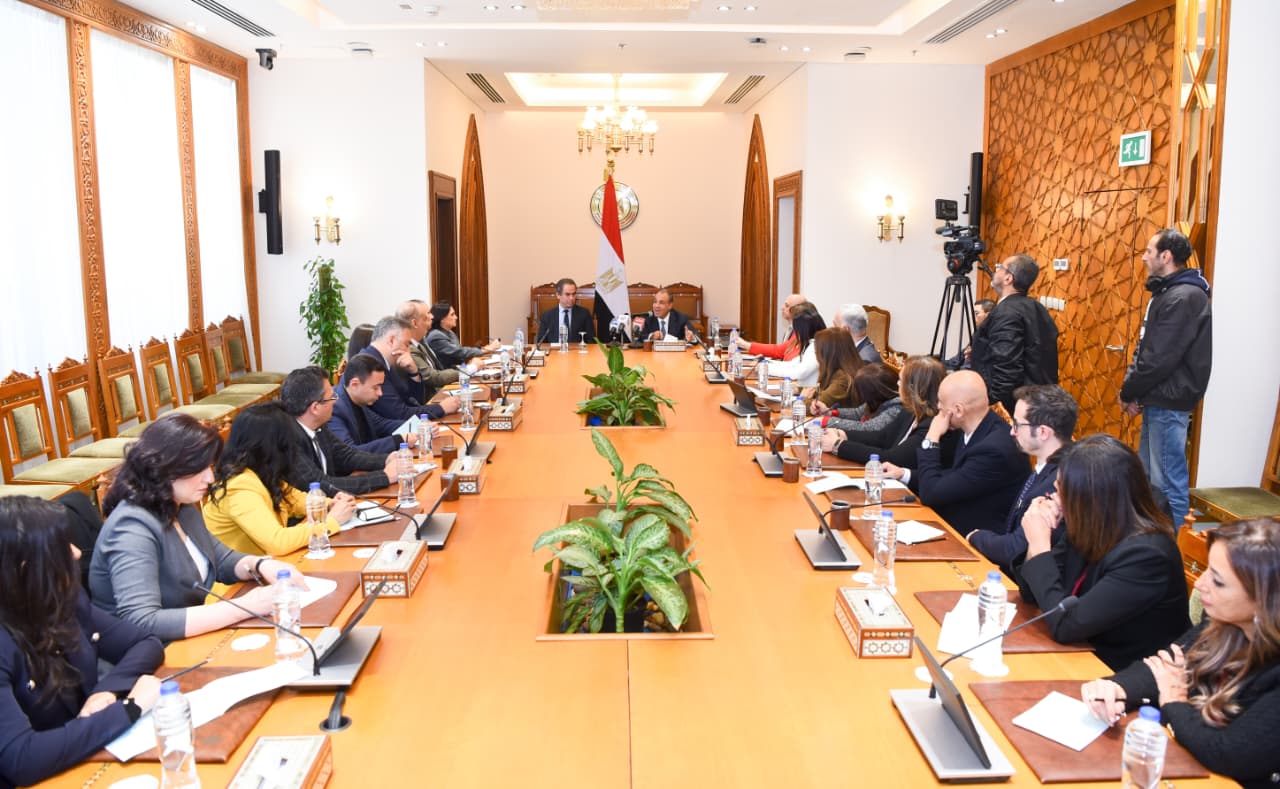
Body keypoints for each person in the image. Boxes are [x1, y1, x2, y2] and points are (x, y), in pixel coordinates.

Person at [1080, 519, 1280, 788]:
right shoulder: (1222, 623)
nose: (1200, 584)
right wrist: (1117, 688)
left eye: (1218, 581)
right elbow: (1167, 666)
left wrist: (1174, 701)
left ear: (1265, 601)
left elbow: (1229, 753)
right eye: (1207, 569)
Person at [88, 414, 305, 642]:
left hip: (188, 637)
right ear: (166, 467)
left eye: (209, 467)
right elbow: (142, 621)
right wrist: (245, 607)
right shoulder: (131, 528)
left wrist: (261, 565)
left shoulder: (180, 505)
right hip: (148, 651)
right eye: (199, 469)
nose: (210, 478)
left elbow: (221, 559)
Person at [0, 496, 164, 789]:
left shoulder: (62, 598)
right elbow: (20, 759)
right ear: (23, 567)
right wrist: (127, 709)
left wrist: (104, 693)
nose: (76, 553)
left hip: (82, 760)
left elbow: (146, 642)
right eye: (60, 546)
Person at [1013, 434, 1189, 670]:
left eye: (1059, 490)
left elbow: (1066, 626)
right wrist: (1037, 543)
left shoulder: (1147, 555)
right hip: (1079, 654)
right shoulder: (1091, 525)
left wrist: (1039, 544)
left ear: (1088, 498)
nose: (1052, 498)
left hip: (1119, 672)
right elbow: (1032, 594)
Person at [1120, 228, 1213, 528]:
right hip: (1158, 398)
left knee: (1168, 484)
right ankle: (1154, 540)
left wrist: (1129, 392)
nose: (1144, 257)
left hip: (1169, 401)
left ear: (1166, 256)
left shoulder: (1184, 297)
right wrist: (1134, 392)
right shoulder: (1168, 292)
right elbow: (1146, 348)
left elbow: (1159, 358)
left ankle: (1176, 548)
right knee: (1149, 480)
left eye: (1149, 251)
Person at [881, 370, 1027, 537]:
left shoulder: (994, 449)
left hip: (972, 538)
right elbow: (955, 477)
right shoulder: (978, 426)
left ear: (958, 410)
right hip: (951, 522)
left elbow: (931, 494)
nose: (938, 408)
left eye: (941, 403)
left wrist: (932, 438)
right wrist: (904, 474)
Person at [204, 403, 357, 556]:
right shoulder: (238, 487)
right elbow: (277, 542)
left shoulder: (260, 470)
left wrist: (329, 504)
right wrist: (331, 522)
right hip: (246, 571)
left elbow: (293, 500)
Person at [966, 384, 1077, 574]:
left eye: (1017, 425)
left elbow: (1015, 549)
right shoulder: (1048, 467)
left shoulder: (1058, 482)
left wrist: (976, 537)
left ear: (1043, 432)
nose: (1012, 432)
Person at [280, 366, 399, 496]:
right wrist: (384, 477)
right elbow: (323, 484)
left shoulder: (318, 425)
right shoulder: (287, 441)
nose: (335, 401)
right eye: (332, 397)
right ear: (315, 408)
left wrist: (386, 459)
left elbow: (346, 455)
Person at [969, 254, 1060, 415]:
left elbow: (1007, 367)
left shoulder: (1006, 313)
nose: (996, 270)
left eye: (1000, 268)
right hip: (1040, 399)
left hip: (1018, 405)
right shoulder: (1035, 306)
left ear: (1008, 278)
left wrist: (986, 402)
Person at [824, 355, 945, 467]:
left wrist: (838, 445)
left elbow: (892, 458)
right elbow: (880, 437)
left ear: (913, 388)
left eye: (901, 380)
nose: (897, 384)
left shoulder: (930, 424)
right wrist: (842, 433)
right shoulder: (910, 412)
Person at [357, 315, 457, 422]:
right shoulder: (370, 366)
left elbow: (414, 402)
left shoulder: (387, 362)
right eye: (406, 344)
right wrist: (441, 408)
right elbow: (399, 413)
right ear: (391, 340)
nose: (408, 351)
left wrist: (414, 373)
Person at [330, 352, 423, 454]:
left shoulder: (358, 399)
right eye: (375, 387)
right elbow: (350, 453)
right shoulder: (333, 408)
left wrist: (420, 426)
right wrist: (398, 440)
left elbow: (382, 425)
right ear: (354, 384)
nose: (380, 393)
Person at [398, 299, 459, 398]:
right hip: (431, 400)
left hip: (441, 393)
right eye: (427, 314)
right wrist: (465, 372)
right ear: (414, 323)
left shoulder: (421, 341)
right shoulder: (408, 348)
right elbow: (432, 377)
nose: (432, 317)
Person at [821, 363, 901, 437]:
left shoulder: (896, 409)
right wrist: (831, 413)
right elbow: (857, 413)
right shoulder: (878, 400)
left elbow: (866, 428)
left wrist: (829, 422)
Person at [427, 301, 500, 368]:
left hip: (458, 369)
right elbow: (459, 352)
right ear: (442, 319)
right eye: (452, 315)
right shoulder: (436, 336)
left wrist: (467, 366)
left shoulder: (450, 332)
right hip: (448, 374)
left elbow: (459, 357)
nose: (456, 317)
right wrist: (484, 350)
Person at [765, 309, 826, 388]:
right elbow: (792, 364)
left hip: (807, 393)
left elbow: (799, 373)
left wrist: (767, 369)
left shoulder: (815, 347)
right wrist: (766, 364)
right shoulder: (811, 344)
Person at [735, 294, 806, 359]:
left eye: (787, 306)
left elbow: (779, 351)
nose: (782, 308)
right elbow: (781, 351)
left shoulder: (800, 332)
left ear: (798, 310)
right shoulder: (791, 329)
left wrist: (745, 344)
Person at [809, 328, 864, 411]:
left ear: (827, 354)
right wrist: (799, 389)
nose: (816, 354)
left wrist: (802, 398)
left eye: (817, 351)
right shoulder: (844, 371)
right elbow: (819, 391)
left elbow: (817, 406)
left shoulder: (842, 378)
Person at [537, 278, 596, 345]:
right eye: (567, 294)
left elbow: (592, 341)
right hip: (555, 351)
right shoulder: (547, 316)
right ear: (558, 295)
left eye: (573, 294)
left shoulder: (584, 314)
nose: (571, 298)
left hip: (577, 351)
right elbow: (541, 343)